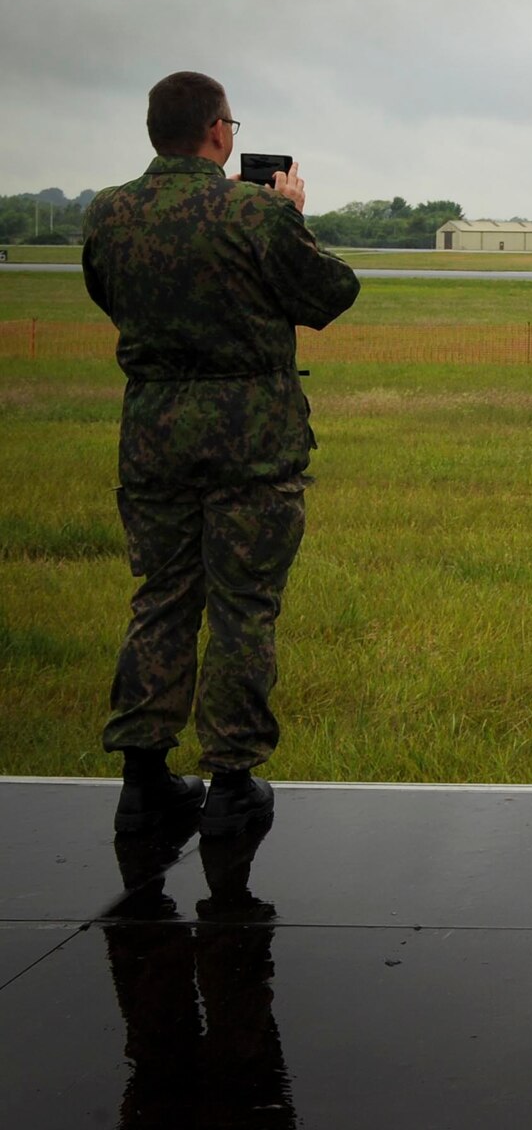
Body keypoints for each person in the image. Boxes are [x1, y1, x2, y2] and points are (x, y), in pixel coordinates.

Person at [85, 71, 359, 838]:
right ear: (216, 132)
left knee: (162, 598)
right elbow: (330, 295)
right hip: (249, 440)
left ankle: (143, 777)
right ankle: (232, 778)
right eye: (230, 126)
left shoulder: (110, 213)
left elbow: (109, 295)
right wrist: (291, 219)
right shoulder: (253, 214)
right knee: (243, 608)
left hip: (154, 435)